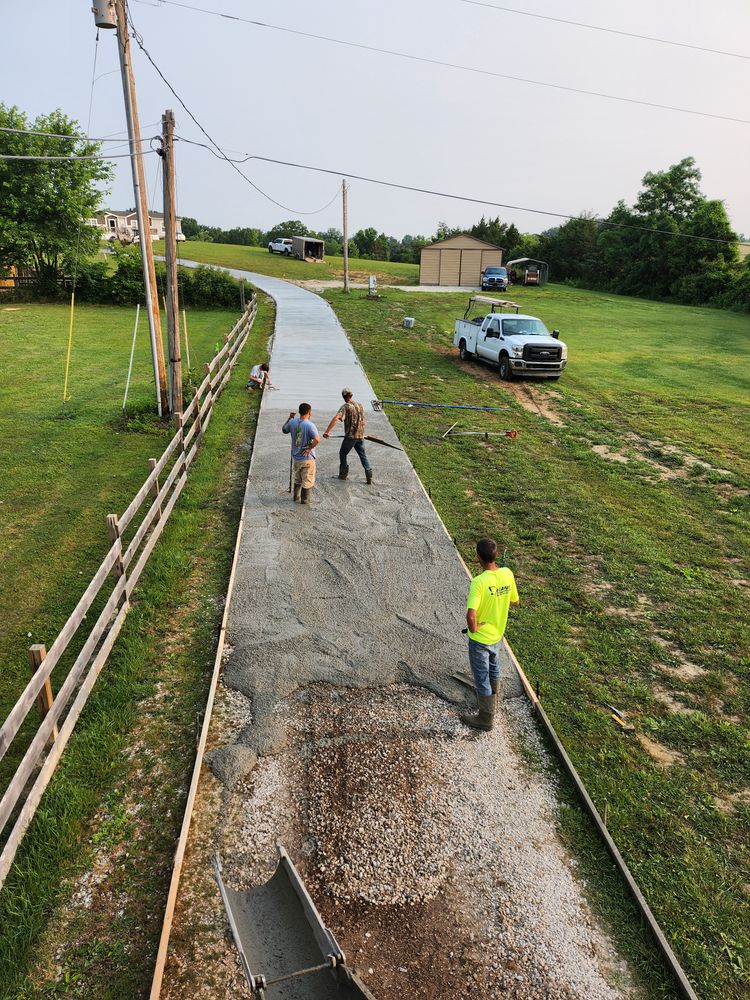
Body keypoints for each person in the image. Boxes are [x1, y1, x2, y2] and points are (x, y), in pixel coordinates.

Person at [461, 537, 519, 732]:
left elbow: (471, 615)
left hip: (480, 640)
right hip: (497, 635)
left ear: (478, 556)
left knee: (481, 676)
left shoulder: (479, 582)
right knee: (494, 669)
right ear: (495, 555)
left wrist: (474, 627)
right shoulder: (507, 574)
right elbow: (514, 601)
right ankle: (494, 703)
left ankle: (486, 718)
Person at [322, 388, 373, 485]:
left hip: (350, 437)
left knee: (342, 453)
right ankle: (369, 476)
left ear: (343, 396)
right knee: (363, 456)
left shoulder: (346, 407)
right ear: (351, 395)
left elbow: (336, 418)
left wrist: (327, 431)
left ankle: (343, 475)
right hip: (360, 436)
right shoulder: (360, 405)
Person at [282, 404, 320, 505]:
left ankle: (295, 499)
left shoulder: (292, 422)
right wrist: (309, 448)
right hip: (307, 459)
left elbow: (284, 430)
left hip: (296, 458)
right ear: (309, 412)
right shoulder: (309, 425)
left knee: (298, 479)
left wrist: (290, 418)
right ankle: (304, 503)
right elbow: (317, 439)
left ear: (299, 412)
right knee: (307, 481)